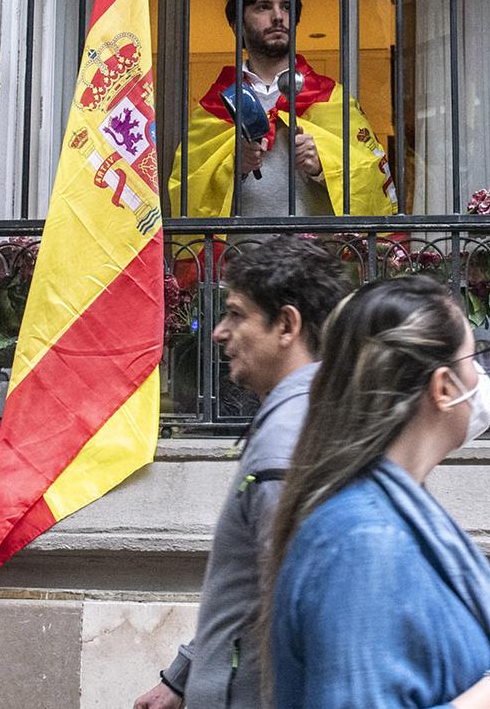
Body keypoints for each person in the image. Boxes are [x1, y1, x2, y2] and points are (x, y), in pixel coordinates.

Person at [267, 275, 490, 708]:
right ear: (442, 388)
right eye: (475, 358)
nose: (481, 376)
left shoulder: (393, 512)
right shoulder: (361, 539)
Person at [134, 236, 353, 709]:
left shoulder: (289, 439)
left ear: (286, 325)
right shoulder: (304, 417)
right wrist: (183, 678)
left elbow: (306, 602)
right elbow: (256, 580)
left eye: (236, 314)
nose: (218, 331)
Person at [169, 0, 397, 218]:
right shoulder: (213, 108)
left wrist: (323, 167)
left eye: (286, 7)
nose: (278, 16)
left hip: (314, 255)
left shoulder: (332, 98)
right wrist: (232, 167)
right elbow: (187, 190)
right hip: (240, 256)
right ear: (237, 25)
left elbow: (371, 178)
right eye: (263, 6)